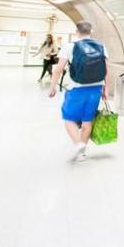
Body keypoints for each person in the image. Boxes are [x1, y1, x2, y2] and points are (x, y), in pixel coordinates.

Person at [49, 21, 110, 162]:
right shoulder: (101, 47)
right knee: (87, 121)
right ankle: (82, 153)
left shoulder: (69, 46)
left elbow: (58, 69)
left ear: (76, 32)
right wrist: (106, 89)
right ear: (91, 31)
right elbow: (106, 70)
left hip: (77, 88)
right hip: (96, 89)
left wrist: (52, 86)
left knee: (69, 119)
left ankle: (78, 145)